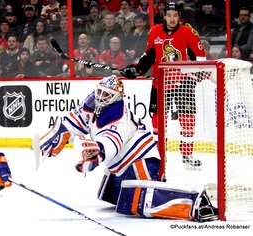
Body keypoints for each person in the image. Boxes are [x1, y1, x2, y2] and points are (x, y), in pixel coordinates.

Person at [37, 75, 218, 222]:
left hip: (142, 162)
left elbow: (111, 143)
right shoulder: (93, 103)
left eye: (106, 95)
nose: (100, 97)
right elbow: (74, 121)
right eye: (99, 92)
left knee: (136, 202)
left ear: (116, 98)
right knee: (110, 196)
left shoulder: (118, 116)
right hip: (120, 167)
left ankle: (194, 201)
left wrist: (96, 155)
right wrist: (61, 132)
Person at [121, 2, 207, 167]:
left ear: (179, 16)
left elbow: (199, 55)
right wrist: (136, 70)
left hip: (183, 82)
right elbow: (150, 55)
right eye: (169, 15)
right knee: (158, 122)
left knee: (188, 120)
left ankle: (187, 155)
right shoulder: (155, 31)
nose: (172, 19)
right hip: (160, 82)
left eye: (175, 15)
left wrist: (197, 74)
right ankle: (160, 155)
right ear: (164, 16)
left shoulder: (187, 32)